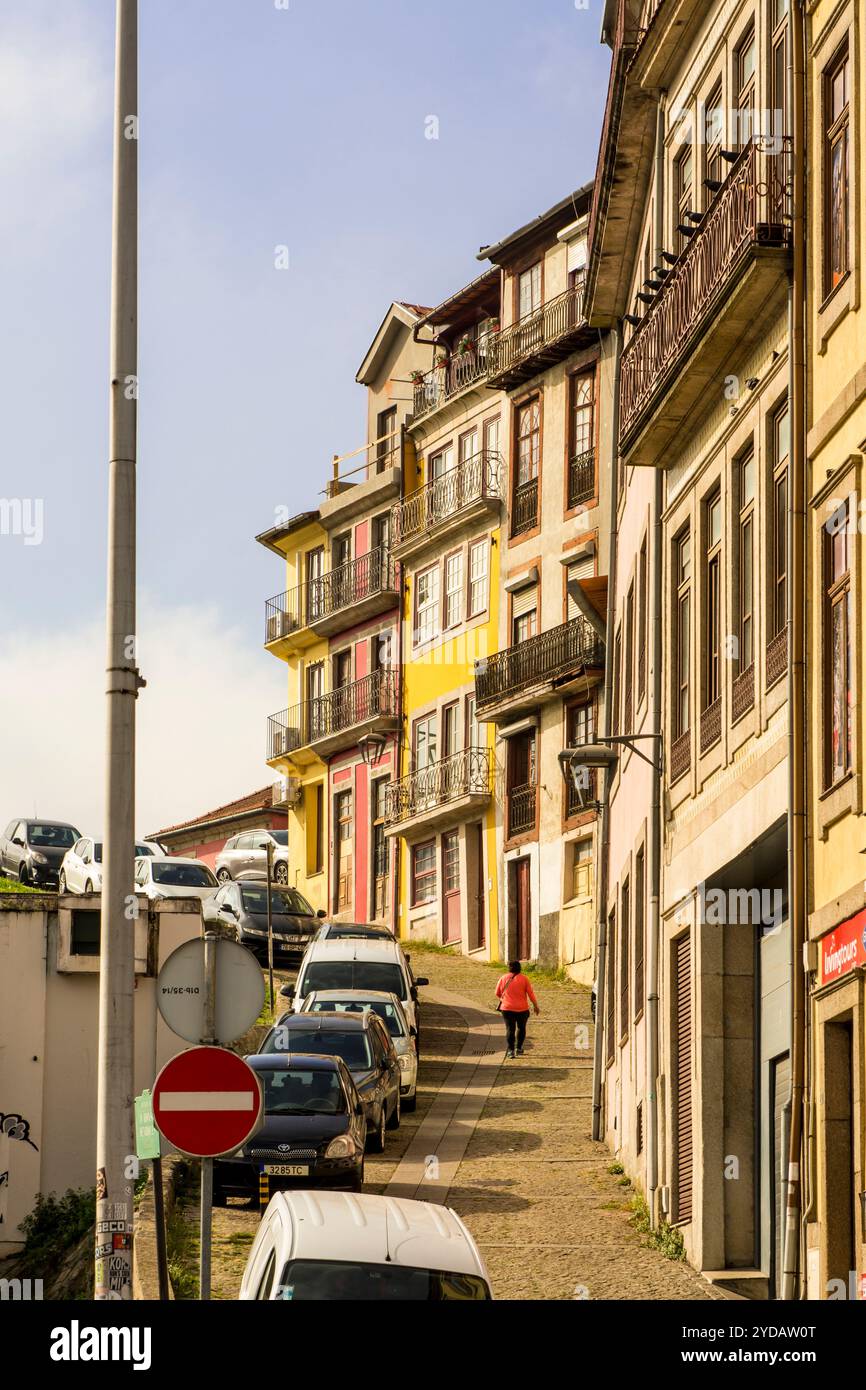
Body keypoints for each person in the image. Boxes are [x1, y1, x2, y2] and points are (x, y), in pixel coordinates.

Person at [495, 960, 540, 1058]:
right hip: (522, 1009)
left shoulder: (503, 978)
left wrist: (504, 999)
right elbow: (530, 994)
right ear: (520, 968)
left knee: (510, 1029)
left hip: (507, 1009)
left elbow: (497, 993)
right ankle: (518, 1048)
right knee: (521, 1028)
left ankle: (511, 1051)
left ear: (509, 968)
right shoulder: (524, 979)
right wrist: (535, 1006)